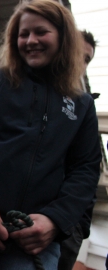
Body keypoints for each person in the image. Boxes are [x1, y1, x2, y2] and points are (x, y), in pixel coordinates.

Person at [0, 0, 102, 269]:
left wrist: (55, 220)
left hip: (34, 239)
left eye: (41, 32)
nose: (30, 40)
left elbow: (85, 170)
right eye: (23, 34)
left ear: (64, 37)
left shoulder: (82, 105)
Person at [58, 29, 99, 270]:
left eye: (87, 59)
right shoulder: (21, 88)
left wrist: (77, 229)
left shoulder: (86, 112)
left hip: (64, 233)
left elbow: (88, 173)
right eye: (76, 53)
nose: (80, 63)